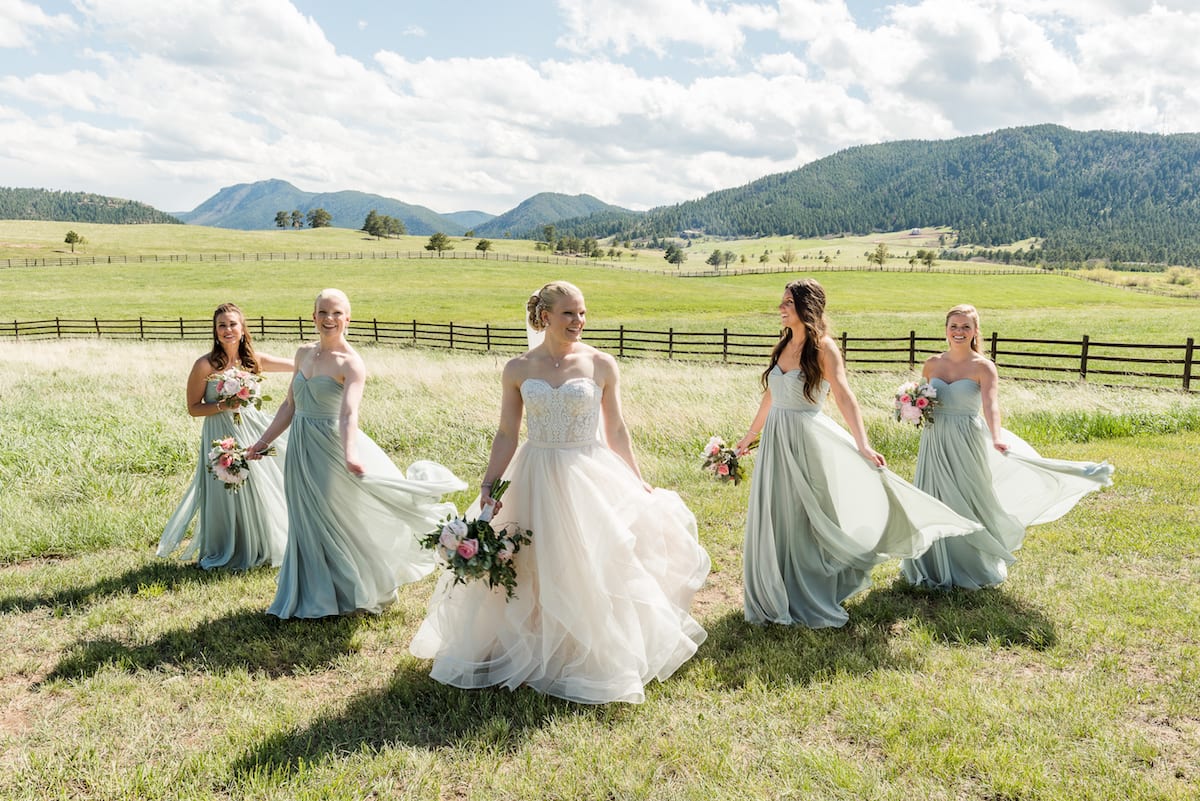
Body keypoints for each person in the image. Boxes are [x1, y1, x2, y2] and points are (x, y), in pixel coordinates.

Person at [409, 281, 710, 704]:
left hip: (587, 471)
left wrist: (636, 478)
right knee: (529, 561)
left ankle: (586, 650)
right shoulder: (518, 368)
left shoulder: (601, 364)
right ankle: (525, 645)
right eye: (569, 313)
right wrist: (487, 487)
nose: (579, 321)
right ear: (545, 316)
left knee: (588, 561)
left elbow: (617, 430)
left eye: (583, 313)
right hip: (533, 470)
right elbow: (506, 433)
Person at [735, 279, 982, 628]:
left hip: (805, 439)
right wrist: (749, 435)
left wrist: (863, 443)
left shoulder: (824, 348)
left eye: (788, 302)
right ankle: (775, 589)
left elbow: (844, 396)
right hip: (775, 439)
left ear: (807, 307)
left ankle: (811, 587)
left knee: (806, 515)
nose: (781, 307)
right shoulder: (783, 344)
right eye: (783, 301)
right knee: (775, 513)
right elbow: (770, 396)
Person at [246, 289, 466, 618]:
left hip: (329, 447)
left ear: (347, 319)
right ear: (313, 316)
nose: (329, 319)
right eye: (323, 312)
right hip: (299, 446)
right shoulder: (303, 353)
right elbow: (289, 405)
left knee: (326, 517)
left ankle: (346, 593)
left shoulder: (351, 363)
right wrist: (262, 442)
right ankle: (306, 592)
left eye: (336, 313)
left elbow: (349, 414)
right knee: (302, 516)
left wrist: (350, 454)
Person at [900, 304, 1114, 590]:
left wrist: (998, 436)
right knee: (932, 495)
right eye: (954, 326)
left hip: (966, 438)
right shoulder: (932, 363)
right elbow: (925, 395)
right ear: (946, 330)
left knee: (966, 497)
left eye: (966, 327)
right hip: (934, 438)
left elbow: (991, 405)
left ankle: (968, 563)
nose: (959, 332)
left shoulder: (983, 367)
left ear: (975, 331)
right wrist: (910, 405)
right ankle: (929, 563)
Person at [157, 302, 293, 570]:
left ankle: (261, 544)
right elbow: (193, 408)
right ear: (215, 331)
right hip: (220, 437)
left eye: (232, 324)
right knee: (226, 489)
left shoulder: (254, 361)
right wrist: (223, 405)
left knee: (260, 485)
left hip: (253, 430)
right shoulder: (205, 365)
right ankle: (227, 547)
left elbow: (298, 366)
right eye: (222, 325)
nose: (227, 329)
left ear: (242, 329)